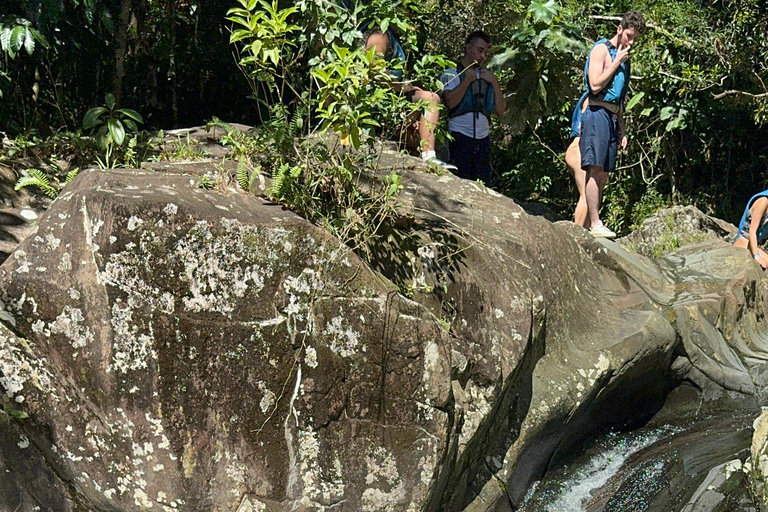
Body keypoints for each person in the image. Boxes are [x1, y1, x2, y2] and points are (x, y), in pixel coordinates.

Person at [579, 11, 646, 238]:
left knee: (605, 172)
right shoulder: (601, 50)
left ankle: (592, 221)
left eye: (635, 38)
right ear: (620, 29)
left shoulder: (626, 60)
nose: (631, 42)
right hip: (596, 112)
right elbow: (595, 85)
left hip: (612, 117)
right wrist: (616, 61)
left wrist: (622, 129)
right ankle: (595, 222)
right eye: (629, 36)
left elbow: (620, 99)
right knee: (594, 167)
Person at [365, 29, 456, 170]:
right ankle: (428, 155)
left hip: (392, 101)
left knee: (422, 110)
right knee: (431, 99)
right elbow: (375, 66)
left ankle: (426, 156)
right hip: (376, 101)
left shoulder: (394, 39)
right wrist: (401, 86)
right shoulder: (381, 34)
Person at [439, 31, 506, 186]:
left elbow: (501, 110)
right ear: (468, 48)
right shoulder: (451, 72)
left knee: (484, 184)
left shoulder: (487, 77)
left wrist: (494, 82)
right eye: (480, 50)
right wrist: (467, 80)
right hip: (459, 136)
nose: (482, 56)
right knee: (459, 181)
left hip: (483, 140)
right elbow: (450, 102)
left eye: (485, 53)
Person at [734, 191, 768, 269]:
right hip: (743, 243)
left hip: (752, 246)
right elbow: (752, 231)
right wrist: (756, 256)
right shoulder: (763, 202)